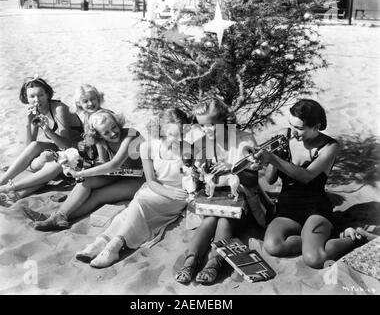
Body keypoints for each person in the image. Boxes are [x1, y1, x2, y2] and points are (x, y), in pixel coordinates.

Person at [74, 108, 192, 268]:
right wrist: (165, 190)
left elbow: (194, 181)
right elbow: (150, 181)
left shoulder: (190, 149)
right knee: (126, 213)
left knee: (138, 205)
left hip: (177, 196)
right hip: (155, 189)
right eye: (170, 134)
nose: (175, 138)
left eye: (180, 133)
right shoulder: (148, 147)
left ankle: (114, 246)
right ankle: (102, 241)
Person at [257, 99, 361, 269]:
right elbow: (270, 179)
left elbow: (307, 176)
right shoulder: (286, 134)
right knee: (273, 246)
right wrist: (275, 154)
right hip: (287, 208)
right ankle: (312, 239)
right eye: (291, 125)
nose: (294, 132)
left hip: (315, 209)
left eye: (299, 128)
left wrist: (273, 158)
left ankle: (354, 239)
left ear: (316, 126)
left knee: (315, 259)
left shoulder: (330, 146)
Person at [175, 99, 266, 285]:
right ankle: (191, 260)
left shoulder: (244, 139)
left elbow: (253, 181)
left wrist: (233, 167)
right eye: (202, 126)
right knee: (210, 219)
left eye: (211, 125)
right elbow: (199, 183)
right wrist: (196, 172)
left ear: (225, 120)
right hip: (215, 198)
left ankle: (214, 262)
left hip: (242, 199)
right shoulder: (202, 143)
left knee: (224, 219)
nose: (207, 130)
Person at [0, 84, 105, 202]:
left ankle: (11, 191)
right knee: (37, 148)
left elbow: (67, 145)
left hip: (75, 151)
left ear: (47, 94)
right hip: (70, 151)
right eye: (32, 96)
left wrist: (47, 130)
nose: (37, 100)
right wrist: (28, 123)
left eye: (40, 95)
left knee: (52, 164)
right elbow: (29, 147)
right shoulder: (37, 111)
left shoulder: (59, 109)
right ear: (26, 98)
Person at [33, 109, 145, 231]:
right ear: (98, 134)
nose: (112, 133)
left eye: (114, 127)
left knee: (98, 195)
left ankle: (57, 217)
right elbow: (103, 163)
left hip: (140, 179)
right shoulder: (101, 140)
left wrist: (79, 173)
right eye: (106, 132)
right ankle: (60, 215)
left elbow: (114, 164)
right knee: (86, 182)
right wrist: (77, 167)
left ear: (118, 123)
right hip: (120, 174)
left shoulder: (131, 135)